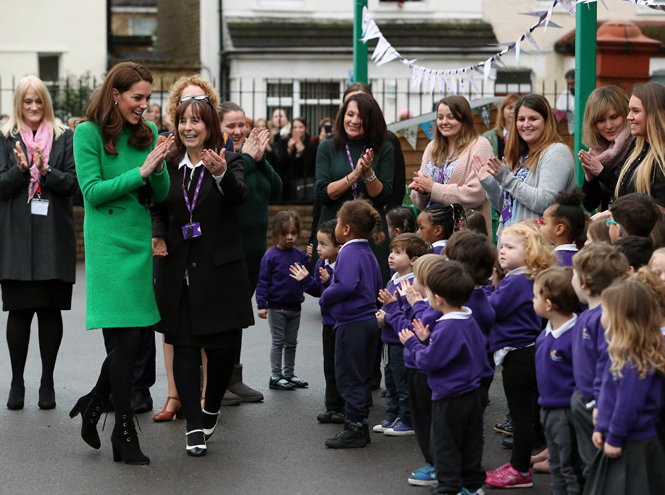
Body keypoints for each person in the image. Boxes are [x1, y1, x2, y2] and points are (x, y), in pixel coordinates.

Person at [70, 61, 172, 465]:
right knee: (125, 340)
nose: (144, 106)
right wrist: (141, 170)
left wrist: (159, 163)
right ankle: (123, 432)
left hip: (136, 241)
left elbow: (160, 192)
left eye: (148, 98)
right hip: (108, 246)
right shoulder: (86, 132)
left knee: (132, 339)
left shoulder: (145, 135)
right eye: (137, 98)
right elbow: (92, 192)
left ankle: (94, 404)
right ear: (116, 95)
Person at [150, 96, 253, 457]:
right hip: (178, 271)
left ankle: (210, 408)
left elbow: (239, 196)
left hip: (219, 273)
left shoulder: (230, 160)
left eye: (196, 121)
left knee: (222, 351)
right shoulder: (170, 164)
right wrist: (158, 231)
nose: (188, 127)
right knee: (184, 347)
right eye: (182, 121)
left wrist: (221, 173)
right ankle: (194, 424)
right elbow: (158, 202)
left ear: (209, 127)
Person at [0, 75, 77, 410]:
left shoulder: (65, 138)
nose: (33, 107)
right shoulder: (5, 138)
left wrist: (46, 171)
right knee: (18, 313)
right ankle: (17, 381)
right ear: (18, 104)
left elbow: (74, 186)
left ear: (46, 102)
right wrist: (20, 171)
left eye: (38, 101)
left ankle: (47, 381)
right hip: (16, 238)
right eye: (27, 102)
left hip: (53, 237)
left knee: (49, 311)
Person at [399, 260, 487, 495]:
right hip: (472, 395)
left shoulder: (447, 327)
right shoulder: (468, 319)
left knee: (445, 446)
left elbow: (427, 361)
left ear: (437, 299)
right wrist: (427, 340)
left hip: (449, 398)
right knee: (470, 445)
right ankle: (471, 487)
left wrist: (413, 343)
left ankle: (449, 489)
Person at [484, 221, 556, 489]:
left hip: (519, 355)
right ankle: (519, 463)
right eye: (501, 245)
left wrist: (486, 290)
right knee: (524, 414)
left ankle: (520, 469)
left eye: (510, 247)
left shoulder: (516, 281)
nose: (501, 251)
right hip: (527, 352)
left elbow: (492, 310)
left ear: (530, 250)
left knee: (520, 417)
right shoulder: (527, 277)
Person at [219, 101, 282, 402]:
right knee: (227, 315)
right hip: (231, 249)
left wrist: (260, 159)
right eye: (230, 126)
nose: (238, 130)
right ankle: (220, 380)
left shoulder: (252, 158)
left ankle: (232, 377)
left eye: (241, 124)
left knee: (238, 314)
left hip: (255, 251)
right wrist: (243, 157)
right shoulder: (222, 158)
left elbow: (278, 188)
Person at [586, 280, 665, 494]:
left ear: (621, 317)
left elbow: (628, 404)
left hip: (633, 443)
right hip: (619, 436)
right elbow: (608, 395)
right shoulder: (620, 351)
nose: (601, 315)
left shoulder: (635, 360)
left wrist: (614, 436)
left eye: (605, 310)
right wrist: (602, 426)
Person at [321, 198, 384, 449]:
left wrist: (326, 296)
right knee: (361, 376)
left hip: (352, 323)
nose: (336, 225)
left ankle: (355, 429)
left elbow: (345, 285)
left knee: (349, 376)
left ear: (346, 229)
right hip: (369, 322)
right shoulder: (369, 251)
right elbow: (378, 285)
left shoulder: (346, 251)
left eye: (337, 222)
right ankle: (360, 423)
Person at [315, 93, 394, 284]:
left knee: (371, 292)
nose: (354, 121)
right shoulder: (327, 147)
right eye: (350, 114)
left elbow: (382, 196)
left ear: (371, 120)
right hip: (334, 231)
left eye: (361, 117)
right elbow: (323, 193)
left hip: (370, 233)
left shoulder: (384, 148)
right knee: (335, 292)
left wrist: (367, 172)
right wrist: (354, 175)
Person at [474, 94, 577, 238]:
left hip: (538, 249)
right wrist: (490, 184)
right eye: (521, 119)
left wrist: (506, 179)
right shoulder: (521, 157)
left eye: (533, 119)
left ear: (546, 121)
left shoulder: (557, 152)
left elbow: (545, 202)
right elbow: (507, 210)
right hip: (512, 246)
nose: (526, 124)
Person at [570, 243, 630, 475]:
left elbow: (608, 365)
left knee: (595, 462)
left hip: (595, 405)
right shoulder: (587, 314)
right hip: (584, 398)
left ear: (583, 283)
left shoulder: (605, 319)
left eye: (573, 274)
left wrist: (598, 403)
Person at [533, 267, 584, 495]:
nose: (532, 300)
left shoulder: (575, 335)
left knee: (570, 465)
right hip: (548, 407)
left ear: (549, 304)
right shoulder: (545, 333)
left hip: (566, 411)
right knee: (556, 464)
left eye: (535, 296)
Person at [410, 95, 494, 233]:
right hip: (432, 232)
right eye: (440, 117)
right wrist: (421, 190)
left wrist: (433, 188)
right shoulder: (432, 146)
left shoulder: (480, 145)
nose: (444, 122)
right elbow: (419, 203)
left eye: (451, 117)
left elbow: (476, 194)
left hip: (463, 233)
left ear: (464, 119)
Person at [374, 234, 429, 437]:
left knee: (402, 382)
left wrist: (386, 318)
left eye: (398, 253)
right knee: (390, 381)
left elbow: (408, 314)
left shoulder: (411, 284)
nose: (391, 256)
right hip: (388, 339)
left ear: (413, 260)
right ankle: (392, 415)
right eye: (391, 251)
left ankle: (407, 420)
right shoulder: (394, 278)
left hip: (401, 340)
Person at [256, 211, 317, 390]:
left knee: (291, 343)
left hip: (295, 307)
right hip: (277, 308)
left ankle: (289, 374)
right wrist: (262, 305)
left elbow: (308, 277)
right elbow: (263, 282)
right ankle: (276, 375)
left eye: (293, 233)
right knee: (278, 342)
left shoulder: (300, 256)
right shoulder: (271, 256)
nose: (290, 237)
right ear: (276, 233)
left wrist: (312, 259)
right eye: (285, 233)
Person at [579, 85, 634, 211]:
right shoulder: (600, 151)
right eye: (601, 120)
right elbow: (590, 205)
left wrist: (601, 172)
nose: (608, 126)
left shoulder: (636, 145)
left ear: (626, 114)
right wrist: (590, 177)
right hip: (609, 226)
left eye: (614, 117)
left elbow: (635, 194)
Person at [616, 82, 665, 209]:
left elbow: (660, 211)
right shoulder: (636, 147)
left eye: (636, 111)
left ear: (654, 114)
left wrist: (613, 216)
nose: (628, 117)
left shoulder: (662, 158)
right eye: (629, 110)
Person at [540, 188, 588, 266]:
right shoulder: (582, 260)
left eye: (544, 223)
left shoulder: (550, 262)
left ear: (559, 229)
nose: (541, 227)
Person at [276, 117, 317, 202]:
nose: (297, 130)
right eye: (295, 127)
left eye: (300, 127)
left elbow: (310, 167)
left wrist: (300, 153)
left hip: (304, 186)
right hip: (288, 186)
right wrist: (289, 151)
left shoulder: (311, 145)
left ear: (306, 129)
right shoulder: (285, 142)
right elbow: (281, 165)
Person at [483, 93, 518, 161]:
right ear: (502, 110)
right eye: (510, 108)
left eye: (517, 108)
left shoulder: (525, 136)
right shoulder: (489, 136)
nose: (513, 111)